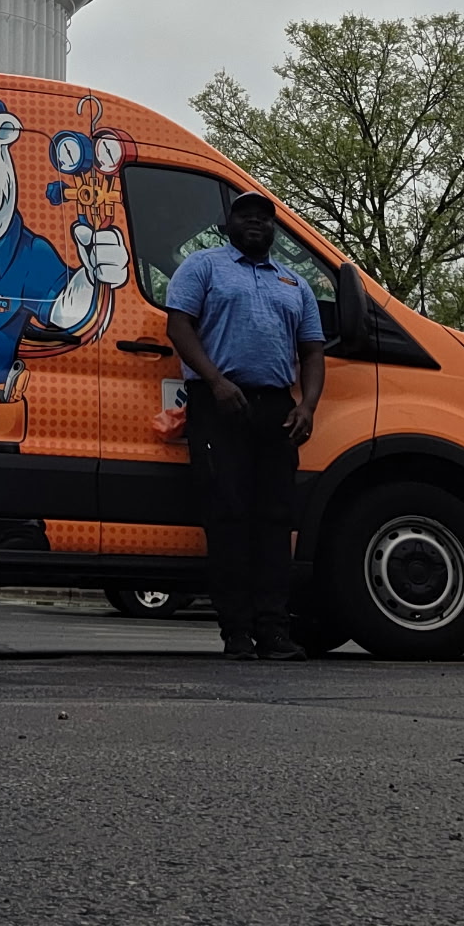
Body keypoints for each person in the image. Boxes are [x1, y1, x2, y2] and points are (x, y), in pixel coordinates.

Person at [163, 189, 326, 661]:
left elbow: (313, 350)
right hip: (219, 404)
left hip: (276, 409)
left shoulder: (295, 283)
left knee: (275, 521)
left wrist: (308, 405)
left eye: (265, 218)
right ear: (226, 225)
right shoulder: (204, 267)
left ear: (274, 231)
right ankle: (236, 631)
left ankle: (274, 631)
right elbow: (179, 327)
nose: (256, 223)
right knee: (228, 517)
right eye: (245, 216)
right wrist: (215, 382)